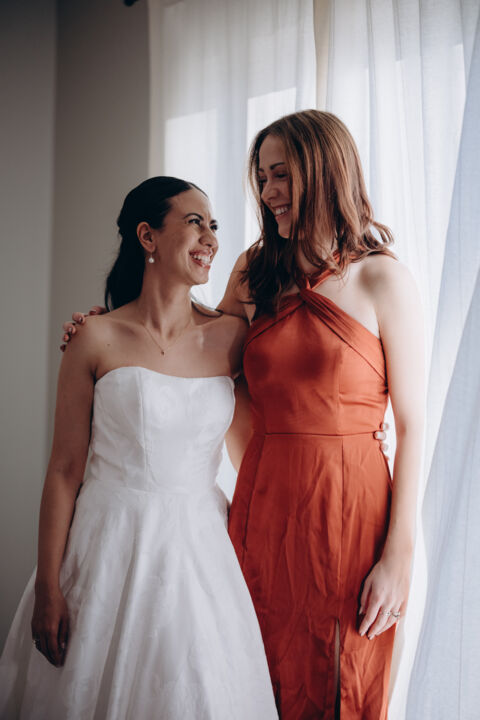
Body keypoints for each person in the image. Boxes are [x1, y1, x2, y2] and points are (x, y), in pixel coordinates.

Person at [0, 177, 278, 719]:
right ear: (148, 236)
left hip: (200, 554)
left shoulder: (233, 338)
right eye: (194, 222)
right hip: (104, 546)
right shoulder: (94, 337)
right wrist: (49, 586)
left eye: (214, 225)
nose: (210, 238)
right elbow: (64, 471)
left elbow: (270, 431)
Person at [217, 110, 425, 719]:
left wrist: (400, 556)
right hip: (263, 508)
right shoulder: (254, 272)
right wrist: (111, 327)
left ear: (325, 172)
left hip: (351, 513)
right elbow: (197, 357)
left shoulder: (382, 279)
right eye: (262, 177)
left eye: (281, 174)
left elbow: (413, 426)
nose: (267, 192)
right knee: (253, 682)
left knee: (343, 684)